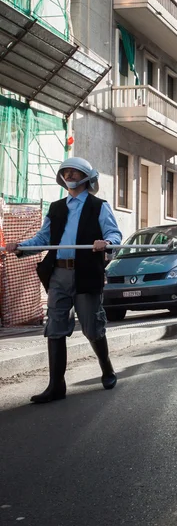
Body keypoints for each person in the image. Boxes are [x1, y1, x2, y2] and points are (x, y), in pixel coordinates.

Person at [4, 158, 122, 403]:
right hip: (58, 274)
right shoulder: (56, 207)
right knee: (55, 328)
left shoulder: (98, 206)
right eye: (66, 172)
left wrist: (106, 243)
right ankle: (56, 386)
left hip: (87, 273)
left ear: (86, 177)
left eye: (74, 172)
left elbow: (114, 234)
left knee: (92, 327)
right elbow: (42, 239)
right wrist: (20, 247)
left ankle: (107, 369)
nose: (69, 175)